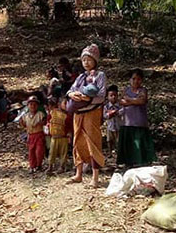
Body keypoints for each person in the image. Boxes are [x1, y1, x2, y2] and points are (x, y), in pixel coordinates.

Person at [67, 44, 106, 187]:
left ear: (95, 60)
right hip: (78, 113)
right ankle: (78, 174)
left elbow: (101, 95)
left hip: (92, 112)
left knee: (92, 141)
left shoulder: (100, 76)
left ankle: (95, 177)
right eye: (84, 60)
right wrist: (72, 95)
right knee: (77, 140)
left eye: (89, 59)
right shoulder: (80, 77)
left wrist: (88, 99)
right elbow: (70, 90)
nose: (86, 63)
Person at [117, 69, 156, 168]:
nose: (136, 81)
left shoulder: (143, 90)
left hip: (139, 121)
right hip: (127, 122)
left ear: (142, 80)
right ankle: (128, 162)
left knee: (140, 142)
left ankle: (142, 162)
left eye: (138, 79)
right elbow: (121, 101)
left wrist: (129, 100)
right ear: (130, 79)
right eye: (133, 79)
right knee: (128, 143)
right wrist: (135, 101)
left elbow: (142, 101)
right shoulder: (126, 90)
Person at [20, 96, 45, 174]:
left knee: (39, 151)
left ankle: (39, 165)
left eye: (35, 105)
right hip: (31, 135)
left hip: (39, 135)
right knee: (31, 152)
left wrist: (41, 123)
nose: (33, 106)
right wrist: (21, 123)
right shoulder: (25, 116)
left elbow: (45, 122)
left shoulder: (40, 114)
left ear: (37, 106)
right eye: (31, 104)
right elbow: (24, 125)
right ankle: (32, 166)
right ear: (28, 106)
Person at [46, 97, 70, 175]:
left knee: (63, 153)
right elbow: (48, 120)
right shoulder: (53, 112)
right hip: (54, 136)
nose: (67, 105)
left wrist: (69, 135)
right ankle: (50, 166)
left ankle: (62, 166)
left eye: (68, 104)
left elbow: (69, 127)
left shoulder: (67, 115)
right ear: (59, 104)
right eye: (65, 103)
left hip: (64, 137)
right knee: (52, 152)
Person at [103, 84, 123, 157]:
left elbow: (122, 112)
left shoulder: (120, 105)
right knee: (109, 140)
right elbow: (105, 116)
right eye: (111, 95)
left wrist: (115, 112)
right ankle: (110, 152)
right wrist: (110, 114)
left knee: (119, 140)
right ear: (107, 97)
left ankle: (119, 152)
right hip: (110, 126)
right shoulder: (106, 106)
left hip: (118, 126)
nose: (113, 97)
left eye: (115, 95)